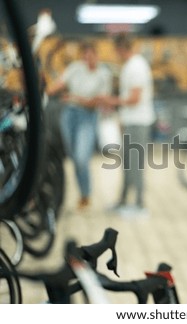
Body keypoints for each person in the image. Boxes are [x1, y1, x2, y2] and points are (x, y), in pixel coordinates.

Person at [46, 40, 112, 210]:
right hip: (69, 116)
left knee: (82, 158)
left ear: (97, 56)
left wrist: (75, 98)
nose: (87, 59)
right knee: (74, 158)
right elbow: (57, 86)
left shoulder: (103, 75)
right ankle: (82, 195)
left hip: (87, 118)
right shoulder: (75, 68)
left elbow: (95, 102)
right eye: (85, 55)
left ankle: (85, 193)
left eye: (90, 55)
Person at [100, 33, 155, 212]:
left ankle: (139, 204)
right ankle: (123, 200)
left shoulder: (137, 66)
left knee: (135, 164)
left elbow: (134, 98)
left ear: (120, 48)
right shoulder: (131, 66)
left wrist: (112, 101)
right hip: (131, 121)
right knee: (127, 163)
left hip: (138, 122)